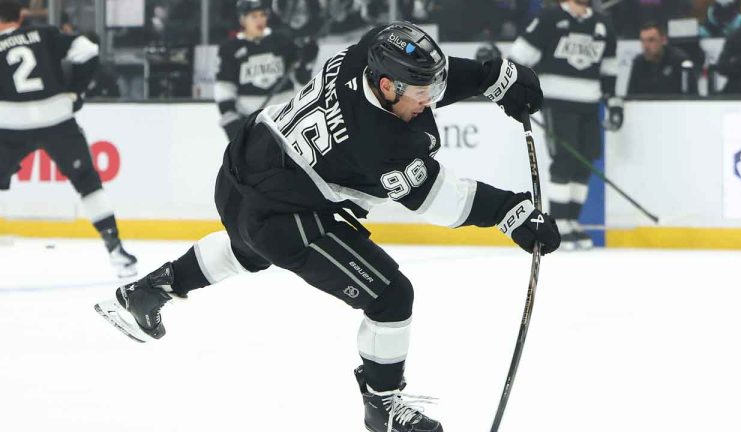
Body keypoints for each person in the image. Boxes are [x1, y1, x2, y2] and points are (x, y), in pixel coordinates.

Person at [94, 21, 560, 432]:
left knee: (250, 246)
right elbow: (443, 199)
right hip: (283, 212)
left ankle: (153, 288)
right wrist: (511, 213)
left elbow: (423, 72)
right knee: (391, 296)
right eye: (420, 96)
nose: (428, 103)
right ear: (386, 86)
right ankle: (382, 406)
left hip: (246, 164)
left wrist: (493, 77)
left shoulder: (368, 51)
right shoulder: (380, 144)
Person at [0, 0, 137, 277]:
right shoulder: (46, 33)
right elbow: (89, 50)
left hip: (10, 124)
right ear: (23, 16)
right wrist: (75, 92)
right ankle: (116, 249)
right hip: (57, 120)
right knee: (87, 181)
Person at [509, 0, 620, 251]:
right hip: (557, 104)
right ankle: (558, 223)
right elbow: (519, 56)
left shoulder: (603, 23)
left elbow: (610, 67)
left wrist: (614, 102)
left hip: (590, 104)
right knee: (564, 161)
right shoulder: (549, 18)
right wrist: (514, 91)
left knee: (585, 161)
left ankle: (572, 221)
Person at [215, 0, 311, 141]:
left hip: (286, 119)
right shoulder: (230, 48)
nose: (259, 20)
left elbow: (301, 80)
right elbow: (224, 88)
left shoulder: (282, 41)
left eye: (262, 15)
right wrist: (231, 122)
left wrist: (306, 61)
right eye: (254, 16)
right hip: (252, 123)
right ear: (242, 19)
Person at [627, 22, 697, 95]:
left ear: (663, 40)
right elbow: (631, 96)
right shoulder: (639, 63)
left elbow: (691, 96)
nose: (646, 46)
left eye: (651, 40)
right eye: (643, 41)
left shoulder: (679, 61)